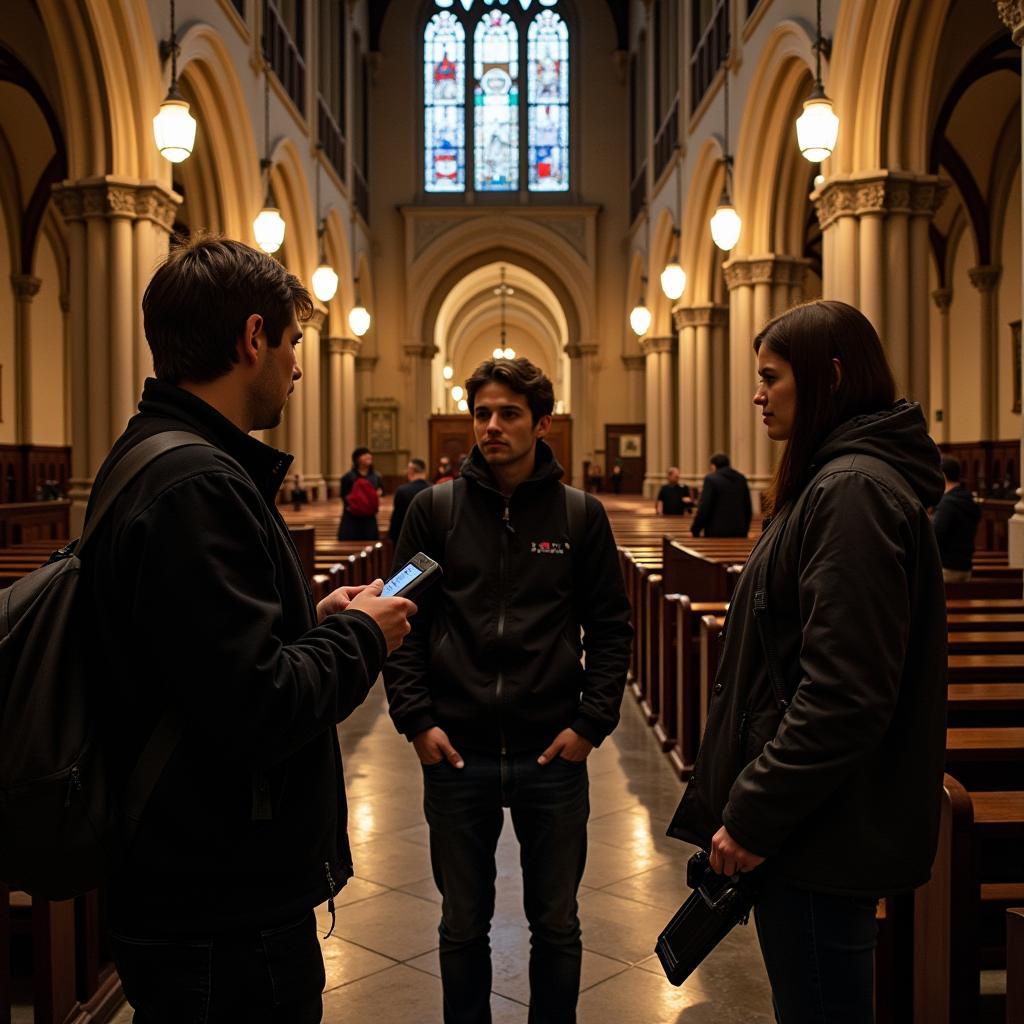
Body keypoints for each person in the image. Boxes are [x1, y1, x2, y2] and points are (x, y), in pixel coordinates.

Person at [82, 235, 416, 1023]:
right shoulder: (197, 481)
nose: (299, 368)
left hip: (186, 878)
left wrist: (314, 621)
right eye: (294, 343)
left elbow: (203, 663)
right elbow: (255, 706)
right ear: (254, 337)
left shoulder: (150, 458)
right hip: (219, 899)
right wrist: (364, 635)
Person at [667, 300, 947, 1023]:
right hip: (815, 824)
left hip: (819, 833)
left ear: (828, 376)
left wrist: (755, 814)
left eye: (771, 376)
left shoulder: (850, 490)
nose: (757, 394)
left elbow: (845, 693)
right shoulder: (838, 480)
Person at [384, 357, 632, 1024]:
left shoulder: (579, 517)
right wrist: (416, 721)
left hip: (550, 752)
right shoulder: (433, 511)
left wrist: (590, 726)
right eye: (482, 414)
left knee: (556, 923)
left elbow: (611, 628)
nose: (492, 426)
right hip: (456, 752)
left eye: (509, 414)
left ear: (542, 422)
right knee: (463, 924)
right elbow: (396, 617)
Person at [932, 455, 981, 582]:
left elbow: (936, 534)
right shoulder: (968, 499)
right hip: (965, 565)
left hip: (947, 566)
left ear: (943, 475)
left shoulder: (947, 503)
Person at [690, 452, 752, 537]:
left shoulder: (711, 479)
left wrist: (695, 529)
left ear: (713, 466)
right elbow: (747, 506)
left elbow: (705, 507)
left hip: (716, 532)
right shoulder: (741, 479)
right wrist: (745, 529)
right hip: (739, 532)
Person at [338, 446, 383, 540]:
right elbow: (344, 496)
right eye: (364, 454)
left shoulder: (376, 476)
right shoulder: (347, 477)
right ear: (357, 459)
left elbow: (381, 492)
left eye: (369, 454)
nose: (368, 456)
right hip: (352, 519)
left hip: (369, 519)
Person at [389, 457, 431, 545]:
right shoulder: (434, 489)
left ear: (411, 470)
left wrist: (393, 538)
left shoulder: (402, 490)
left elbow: (397, 518)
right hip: (429, 537)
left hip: (408, 538)